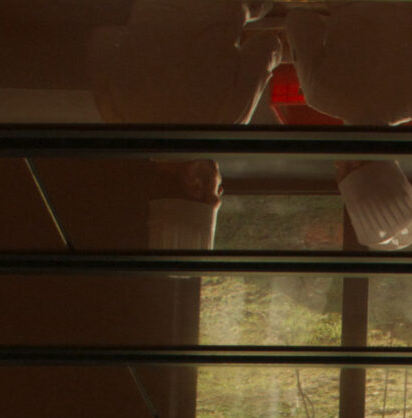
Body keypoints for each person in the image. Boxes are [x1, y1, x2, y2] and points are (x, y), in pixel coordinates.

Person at [279, 2, 412, 249]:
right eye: (341, 169)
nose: (336, 163)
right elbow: (299, 19)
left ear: (394, 163)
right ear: (355, 163)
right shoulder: (319, 95)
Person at [86, 0, 279, 253]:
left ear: (194, 185)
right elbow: (102, 38)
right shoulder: (116, 119)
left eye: (216, 194)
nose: (221, 186)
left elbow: (269, 44)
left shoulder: (226, 124)